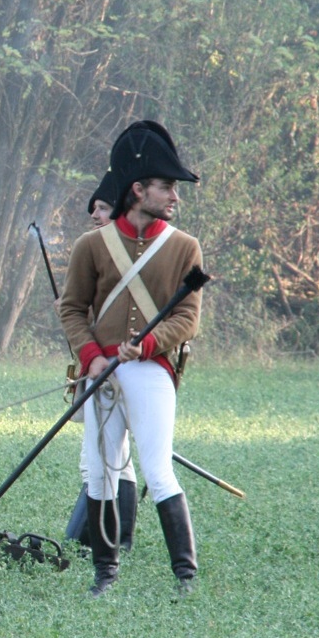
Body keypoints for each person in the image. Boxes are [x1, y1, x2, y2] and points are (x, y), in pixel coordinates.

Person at [58, 121, 203, 597]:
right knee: (100, 472)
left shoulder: (184, 247)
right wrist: (92, 358)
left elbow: (187, 317)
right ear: (138, 189)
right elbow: (73, 309)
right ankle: (105, 574)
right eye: (166, 187)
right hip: (101, 372)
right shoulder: (91, 246)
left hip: (152, 371)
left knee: (158, 469)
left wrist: (145, 345)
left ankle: (185, 576)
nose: (174, 197)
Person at [63, 171, 139, 551]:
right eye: (93, 208)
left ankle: (81, 543)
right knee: (114, 459)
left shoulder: (136, 255)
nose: (95, 215)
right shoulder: (97, 250)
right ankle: (114, 541)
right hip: (101, 366)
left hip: (122, 366)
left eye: (104, 208)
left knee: (102, 462)